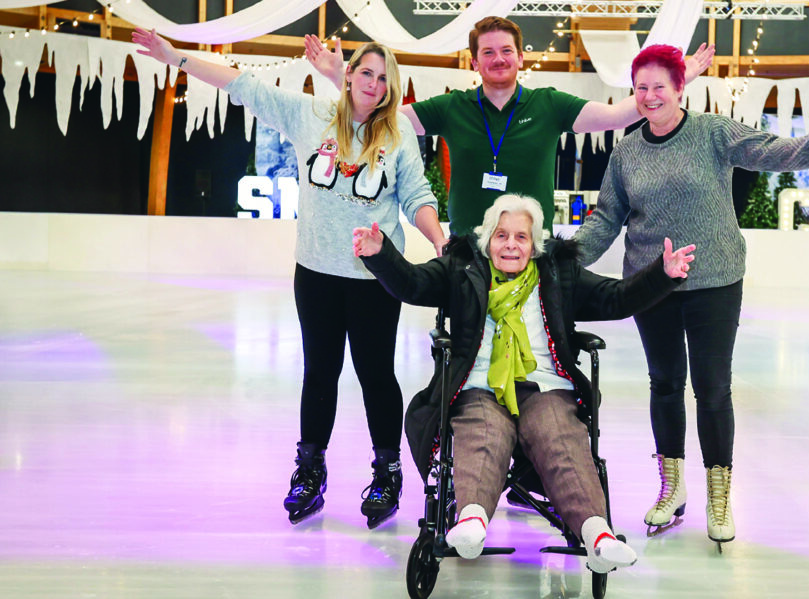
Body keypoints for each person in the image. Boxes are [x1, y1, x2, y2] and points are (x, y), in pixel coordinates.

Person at [132, 28, 447, 529]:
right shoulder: (313, 117)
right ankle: (310, 469)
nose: (373, 83)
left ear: (392, 87)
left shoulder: (398, 135)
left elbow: (415, 196)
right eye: (365, 72)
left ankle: (388, 471)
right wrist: (179, 59)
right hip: (316, 274)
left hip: (376, 278)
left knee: (375, 375)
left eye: (383, 77)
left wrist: (438, 238)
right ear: (349, 76)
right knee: (319, 373)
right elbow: (244, 85)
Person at [573, 45, 809, 545]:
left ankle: (719, 492)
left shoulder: (712, 132)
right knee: (664, 383)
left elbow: (772, 151)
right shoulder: (626, 152)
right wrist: (561, 260)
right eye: (640, 88)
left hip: (715, 279)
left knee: (711, 388)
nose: (648, 97)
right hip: (651, 281)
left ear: (680, 88)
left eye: (658, 87)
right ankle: (672, 487)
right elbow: (606, 219)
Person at [352, 194, 695, 573]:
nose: (511, 245)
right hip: (479, 384)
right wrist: (380, 255)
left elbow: (613, 298)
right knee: (483, 433)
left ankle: (598, 535)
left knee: (560, 435)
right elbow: (413, 284)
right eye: (502, 236)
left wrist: (661, 274)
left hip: (544, 386)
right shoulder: (462, 267)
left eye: (521, 237)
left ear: (534, 245)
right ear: (487, 240)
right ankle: (471, 521)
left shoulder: (558, 273)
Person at [305, 17, 715, 235]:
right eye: (488, 52)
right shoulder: (452, 107)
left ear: (521, 57)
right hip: (466, 251)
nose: (498, 58)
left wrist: (680, 80)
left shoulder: (549, 104)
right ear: (474, 62)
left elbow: (618, 115)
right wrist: (338, 77)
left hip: (532, 250)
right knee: (464, 360)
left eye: (506, 51)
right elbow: (383, 117)